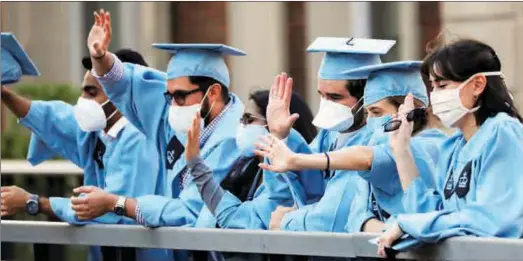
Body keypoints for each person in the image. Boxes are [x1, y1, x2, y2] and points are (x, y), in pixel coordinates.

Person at [72, 10, 245, 261]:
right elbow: (134, 87)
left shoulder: (235, 139)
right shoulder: (181, 115)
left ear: (214, 93)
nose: (172, 104)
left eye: (180, 96)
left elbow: (191, 209)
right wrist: (101, 59)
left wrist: (118, 203)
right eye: (169, 95)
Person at [374, 39, 523, 257]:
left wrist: (411, 224)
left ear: (478, 85)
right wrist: (401, 150)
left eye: (442, 86)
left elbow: (494, 219)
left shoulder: (503, 132)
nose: (435, 96)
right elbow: (433, 216)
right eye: (432, 87)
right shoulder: (456, 147)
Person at [0, 32, 172, 261]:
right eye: (83, 90)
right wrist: (4, 93)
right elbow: (52, 118)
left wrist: (33, 203)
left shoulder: (137, 139)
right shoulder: (98, 131)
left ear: (121, 95)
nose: (82, 100)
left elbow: (107, 209)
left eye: (91, 92)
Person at [256, 61, 448, 234]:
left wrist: (295, 161)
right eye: (367, 113)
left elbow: (367, 158)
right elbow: (356, 217)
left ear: (409, 112)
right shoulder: (331, 137)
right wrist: (388, 229)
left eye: (377, 112)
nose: (371, 121)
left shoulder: (428, 145)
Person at [261, 37, 396, 233]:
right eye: (321, 95)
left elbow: (335, 215)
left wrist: (288, 221)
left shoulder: (376, 140)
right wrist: (280, 136)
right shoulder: (329, 135)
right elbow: (292, 192)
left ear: (367, 98)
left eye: (335, 97)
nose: (326, 104)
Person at [186, 90, 322, 261]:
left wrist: (198, 168)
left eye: (249, 120)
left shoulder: (289, 183)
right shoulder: (247, 169)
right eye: (241, 120)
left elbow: (237, 220)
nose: (242, 126)